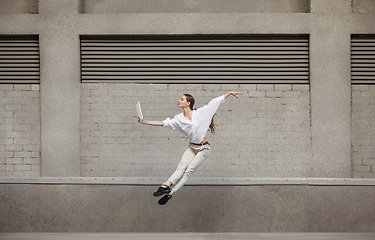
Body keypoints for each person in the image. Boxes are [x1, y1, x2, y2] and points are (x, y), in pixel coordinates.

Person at [137, 91, 243, 205]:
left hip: (204, 149)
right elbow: (163, 123)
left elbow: (215, 102)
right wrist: (144, 121)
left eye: (182, 99)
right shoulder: (179, 119)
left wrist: (229, 93)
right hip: (192, 147)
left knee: (188, 171)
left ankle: (170, 193)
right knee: (180, 168)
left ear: (188, 103)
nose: (179, 100)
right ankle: (165, 185)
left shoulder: (201, 113)